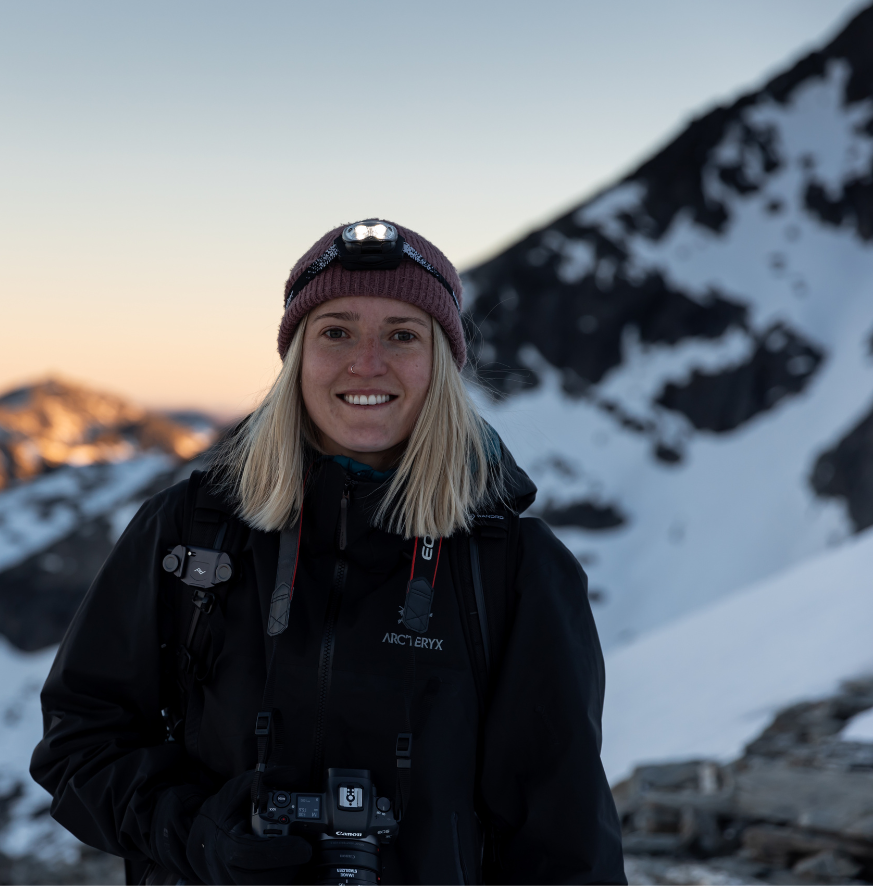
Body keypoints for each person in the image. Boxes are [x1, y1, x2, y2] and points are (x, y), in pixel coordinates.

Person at [30, 220, 625, 885]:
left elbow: (565, 842)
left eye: (402, 334)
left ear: (441, 363)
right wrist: (200, 833)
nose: (366, 361)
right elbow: (79, 741)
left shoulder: (514, 569)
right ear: (296, 358)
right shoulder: (191, 532)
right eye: (336, 330)